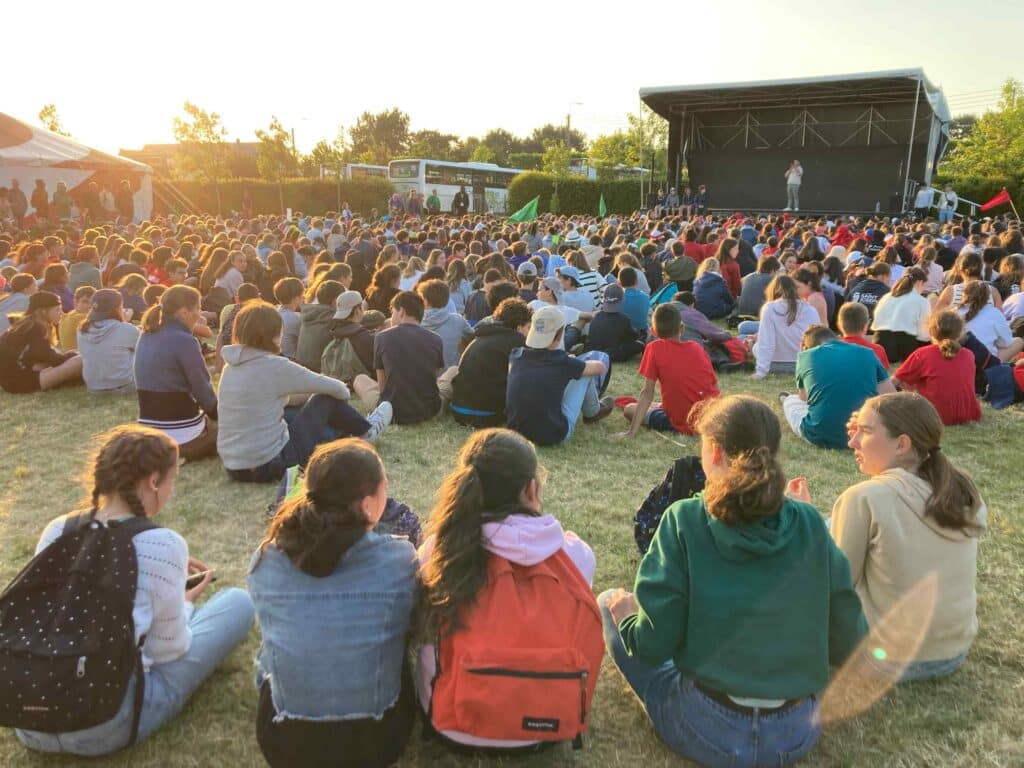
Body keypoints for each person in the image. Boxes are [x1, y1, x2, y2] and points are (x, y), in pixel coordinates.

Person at [602, 395, 867, 768]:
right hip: (795, 731)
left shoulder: (684, 519)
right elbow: (849, 640)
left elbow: (651, 644)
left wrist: (628, 615)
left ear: (712, 453)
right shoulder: (809, 522)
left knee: (608, 602)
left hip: (706, 726)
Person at [14, 425, 255, 757]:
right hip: (107, 724)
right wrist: (183, 604)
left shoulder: (58, 529)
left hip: (29, 721)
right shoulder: (164, 544)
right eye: (173, 480)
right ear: (154, 481)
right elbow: (169, 650)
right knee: (237, 602)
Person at [416, 428, 600, 750]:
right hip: (546, 727)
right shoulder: (576, 557)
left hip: (451, 723)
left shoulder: (439, 551)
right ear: (532, 489)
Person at [248, 439, 418, 768]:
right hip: (376, 742)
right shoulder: (399, 560)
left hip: (284, 743)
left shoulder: (266, 559)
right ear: (369, 503)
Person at [831, 393, 985, 681]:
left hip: (886, 661)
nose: (852, 442)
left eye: (864, 432)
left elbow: (835, 587)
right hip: (953, 652)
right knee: (831, 523)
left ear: (902, 444)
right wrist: (870, 424)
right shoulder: (964, 491)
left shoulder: (864, 499)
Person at [217, 302, 390, 483]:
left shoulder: (230, 367)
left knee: (293, 413)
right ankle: (365, 431)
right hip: (271, 464)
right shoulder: (275, 366)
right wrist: (311, 398)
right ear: (274, 334)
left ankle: (345, 439)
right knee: (324, 399)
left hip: (234, 468)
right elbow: (339, 390)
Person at [505, 305, 613, 445]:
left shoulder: (516, 355)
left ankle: (593, 410)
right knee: (583, 374)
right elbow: (600, 367)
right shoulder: (560, 362)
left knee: (575, 371)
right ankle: (592, 412)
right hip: (553, 435)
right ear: (560, 334)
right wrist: (574, 362)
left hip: (516, 433)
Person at [134, 285, 219, 462]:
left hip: (150, 433)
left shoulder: (146, 335)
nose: (200, 315)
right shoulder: (185, 341)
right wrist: (220, 416)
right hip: (183, 435)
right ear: (183, 312)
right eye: (197, 308)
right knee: (236, 430)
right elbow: (203, 391)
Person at [781, 325, 895, 448]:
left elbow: (804, 398)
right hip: (865, 435)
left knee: (791, 400)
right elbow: (890, 396)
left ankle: (786, 399)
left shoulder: (805, 356)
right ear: (838, 338)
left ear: (805, 346)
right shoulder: (867, 353)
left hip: (819, 435)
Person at [619, 303, 720, 437]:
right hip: (712, 417)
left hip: (683, 421)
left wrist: (631, 432)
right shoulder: (696, 348)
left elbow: (647, 392)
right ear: (682, 328)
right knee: (657, 406)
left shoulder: (654, 349)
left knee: (629, 409)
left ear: (653, 331)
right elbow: (713, 385)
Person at [449, 297, 530, 427]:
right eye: (528, 327)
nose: (528, 332)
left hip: (459, 410)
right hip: (488, 415)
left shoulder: (481, 336)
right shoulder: (517, 342)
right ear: (519, 327)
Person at [892, 310, 981, 425]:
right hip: (968, 414)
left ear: (930, 331)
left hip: (933, 415)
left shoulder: (922, 354)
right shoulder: (969, 355)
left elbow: (893, 381)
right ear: (960, 333)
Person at [373, 291, 445, 424]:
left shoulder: (381, 337)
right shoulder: (437, 339)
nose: (391, 316)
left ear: (401, 312)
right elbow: (433, 378)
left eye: (392, 311)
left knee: (360, 380)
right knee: (452, 371)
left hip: (391, 411)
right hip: (429, 411)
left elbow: (382, 387)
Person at [0, 290, 83, 393]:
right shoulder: (35, 327)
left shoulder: (26, 325)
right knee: (80, 361)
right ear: (43, 311)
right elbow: (54, 360)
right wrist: (72, 355)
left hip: (11, 381)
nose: (61, 313)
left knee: (74, 358)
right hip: (20, 382)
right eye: (57, 310)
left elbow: (40, 357)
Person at [751, 275, 819, 379]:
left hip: (776, 364)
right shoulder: (810, 309)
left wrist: (760, 372)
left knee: (756, 346)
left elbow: (767, 342)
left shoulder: (769, 308)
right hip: (804, 364)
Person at [76, 288, 141, 394]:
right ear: (118, 307)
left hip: (94, 388)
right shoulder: (126, 329)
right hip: (125, 386)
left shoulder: (81, 330)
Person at [870, 267, 930, 363]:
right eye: (924, 285)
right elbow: (923, 335)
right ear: (919, 282)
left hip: (880, 342)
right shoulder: (921, 301)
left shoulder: (887, 297)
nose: (924, 289)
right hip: (905, 346)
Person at [959, 280, 1024, 362]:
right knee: (1018, 341)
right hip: (983, 362)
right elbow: (1006, 342)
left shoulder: (953, 311)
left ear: (964, 294)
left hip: (957, 358)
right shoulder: (994, 312)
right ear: (988, 297)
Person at [418, 279, 473, 368]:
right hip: (451, 375)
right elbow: (473, 338)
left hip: (424, 375)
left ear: (426, 301)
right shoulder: (458, 320)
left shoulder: (416, 323)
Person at [584, 283, 644, 362]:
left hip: (595, 351)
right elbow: (633, 337)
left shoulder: (596, 317)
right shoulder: (623, 319)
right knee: (639, 344)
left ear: (604, 299)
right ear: (622, 299)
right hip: (615, 354)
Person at [296, 280, 346, 372]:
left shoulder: (309, 313)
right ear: (336, 301)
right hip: (321, 372)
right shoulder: (334, 318)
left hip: (302, 368)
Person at [837, 302, 890, 369]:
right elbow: (884, 376)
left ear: (839, 325)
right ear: (866, 325)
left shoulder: (830, 350)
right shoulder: (878, 350)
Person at [273, 277, 304, 360]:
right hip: (290, 360)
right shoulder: (295, 319)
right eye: (302, 295)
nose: (303, 297)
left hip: (276, 357)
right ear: (296, 298)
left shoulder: (275, 311)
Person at [58, 285, 95, 351]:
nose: (89, 306)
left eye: (92, 303)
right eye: (85, 301)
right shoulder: (80, 318)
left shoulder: (70, 314)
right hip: (77, 358)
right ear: (75, 302)